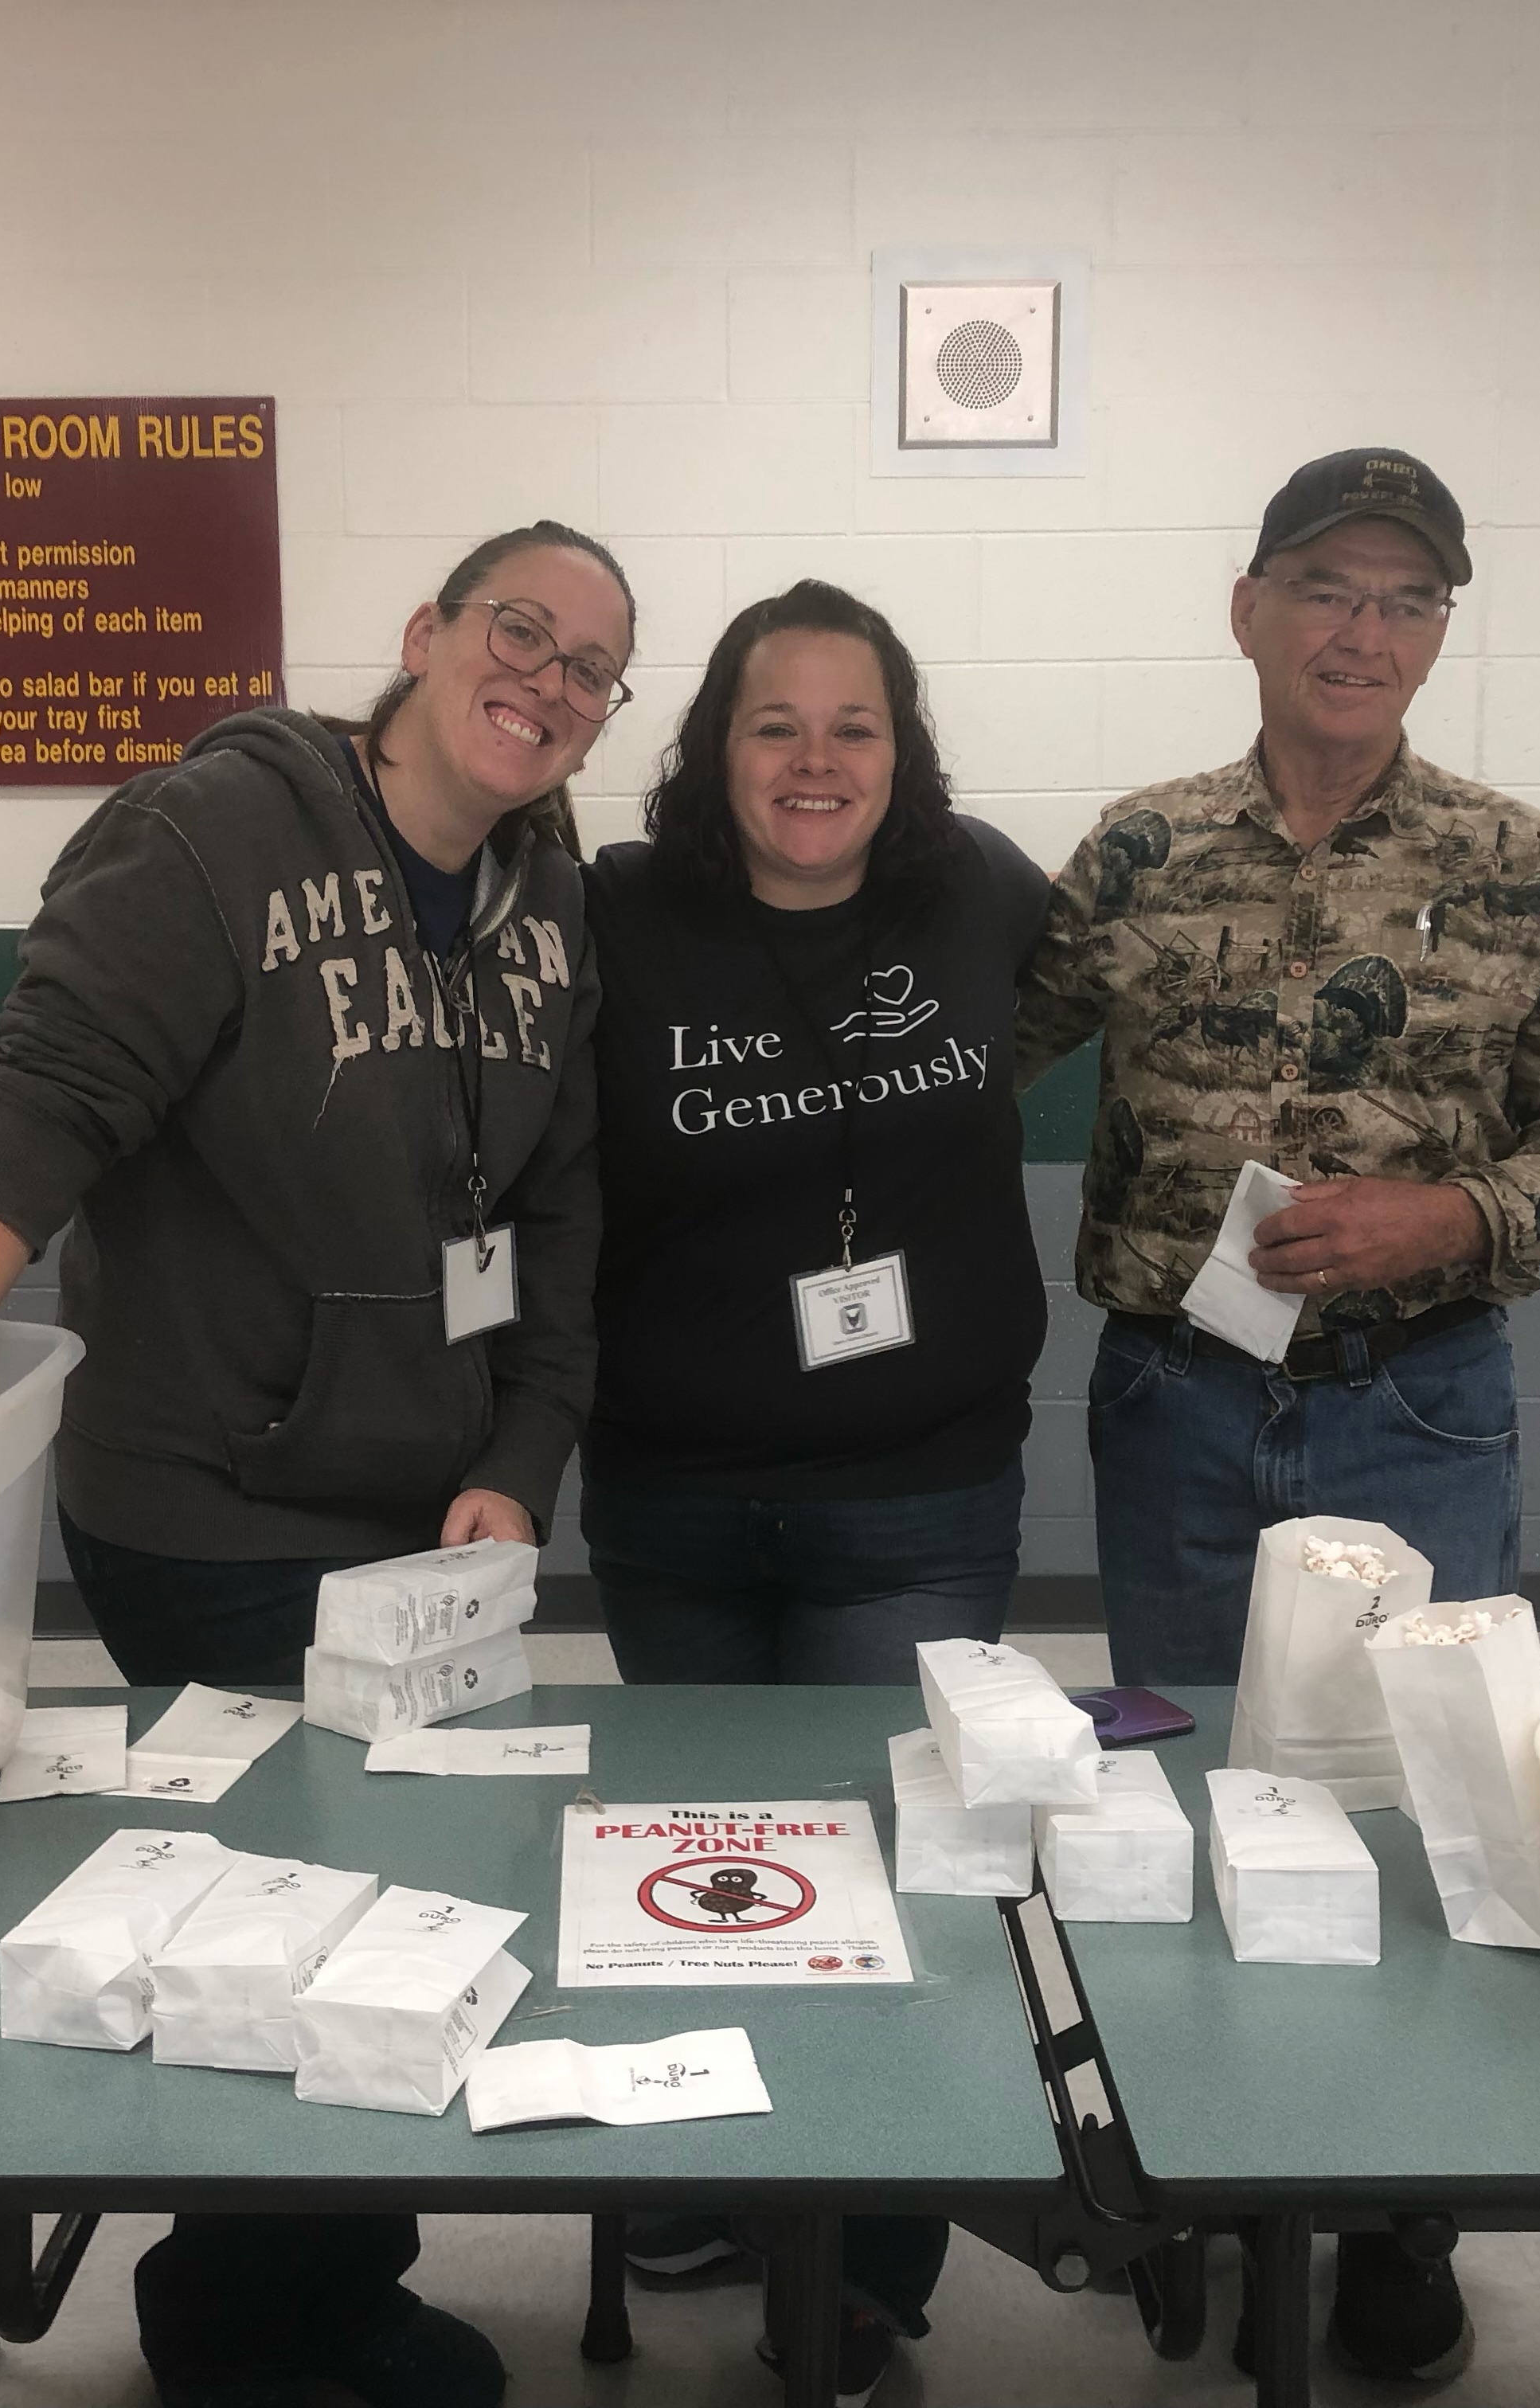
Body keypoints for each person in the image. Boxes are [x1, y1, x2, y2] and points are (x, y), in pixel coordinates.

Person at [0, 520, 637, 2408]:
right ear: (422, 634)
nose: (552, 681)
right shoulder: (210, 834)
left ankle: (322, 2289)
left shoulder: (547, 901)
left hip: (429, 1531)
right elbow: (35, 1116)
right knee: (296, 1908)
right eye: (523, 631)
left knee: (408, 1894)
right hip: (215, 1504)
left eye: (595, 668)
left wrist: (520, 1456)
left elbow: (560, 1216)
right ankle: (250, 2322)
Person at [1017, 448, 1540, 2386]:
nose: (1363, 630)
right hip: (1179, 1409)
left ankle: (1398, 2220)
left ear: (1441, 631)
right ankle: (1207, 2176)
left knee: (1424, 1815)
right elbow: (945, 1046)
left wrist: (1450, 1213)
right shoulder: (1136, 855)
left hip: (1416, 1408)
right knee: (1209, 1797)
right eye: (1326, 586)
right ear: (1249, 607)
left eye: (1407, 598)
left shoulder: (1520, 861)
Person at [580, 579, 1050, 2401]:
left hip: (915, 1492)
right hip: (673, 1487)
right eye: (777, 723)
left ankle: (861, 2262)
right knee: (705, 1869)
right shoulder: (617, 915)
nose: (816, 760)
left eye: (856, 725)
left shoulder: (983, 894)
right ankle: (717, 2179)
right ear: (714, 744)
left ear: (904, 749)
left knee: (885, 1874)